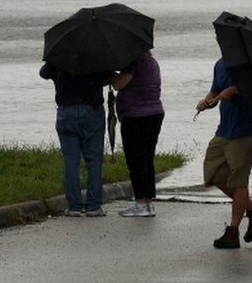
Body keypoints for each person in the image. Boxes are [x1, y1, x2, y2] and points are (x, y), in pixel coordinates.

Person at [195, 57, 252, 249]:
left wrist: (237, 89)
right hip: (224, 129)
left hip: (247, 129)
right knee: (213, 175)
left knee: (239, 181)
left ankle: (232, 232)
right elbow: (215, 92)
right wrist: (207, 102)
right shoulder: (220, 64)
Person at [40, 62, 110, 217]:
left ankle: (74, 206)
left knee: (71, 160)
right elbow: (108, 78)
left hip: (66, 111)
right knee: (94, 159)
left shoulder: (60, 55)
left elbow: (44, 73)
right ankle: (93, 206)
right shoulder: (97, 56)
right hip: (92, 110)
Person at [110, 50, 164, 218]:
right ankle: (148, 202)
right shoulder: (151, 62)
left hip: (136, 116)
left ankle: (140, 202)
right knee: (147, 159)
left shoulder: (135, 61)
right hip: (154, 112)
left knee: (136, 160)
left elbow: (119, 84)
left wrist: (110, 74)